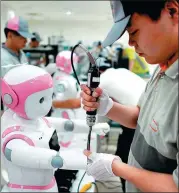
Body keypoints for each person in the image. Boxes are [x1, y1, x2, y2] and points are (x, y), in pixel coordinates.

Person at [80, 0, 178, 192]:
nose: (131, 43)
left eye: (134, 32)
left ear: (172, 10)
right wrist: (108, 107)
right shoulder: (162, 67)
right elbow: (141, 117)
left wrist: (117, 167)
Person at [1, 16, 33, 113]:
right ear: (10, 35)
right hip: (7, 110)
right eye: (22, 37)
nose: (26, 41)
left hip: (25, 106)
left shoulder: (22, 54)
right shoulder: (1, 56)